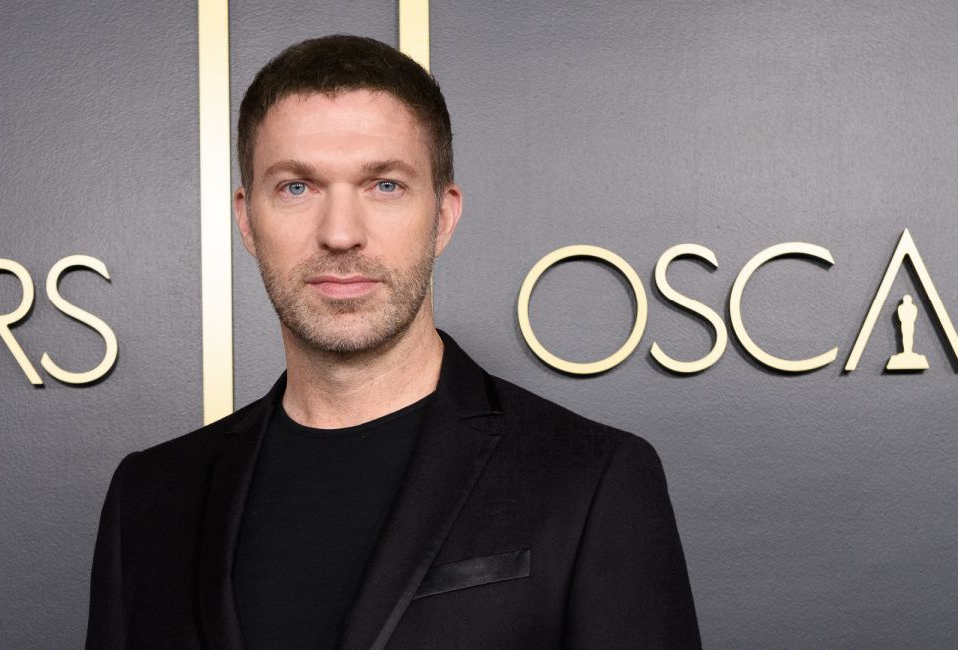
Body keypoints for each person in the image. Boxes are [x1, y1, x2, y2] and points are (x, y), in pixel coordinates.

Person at [86, 34, 701, 649]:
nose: (340, 233)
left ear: (443, 215)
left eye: (384, 185)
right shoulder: (149, 496)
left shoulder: (594, 478)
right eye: (297, 187)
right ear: (247, 220)